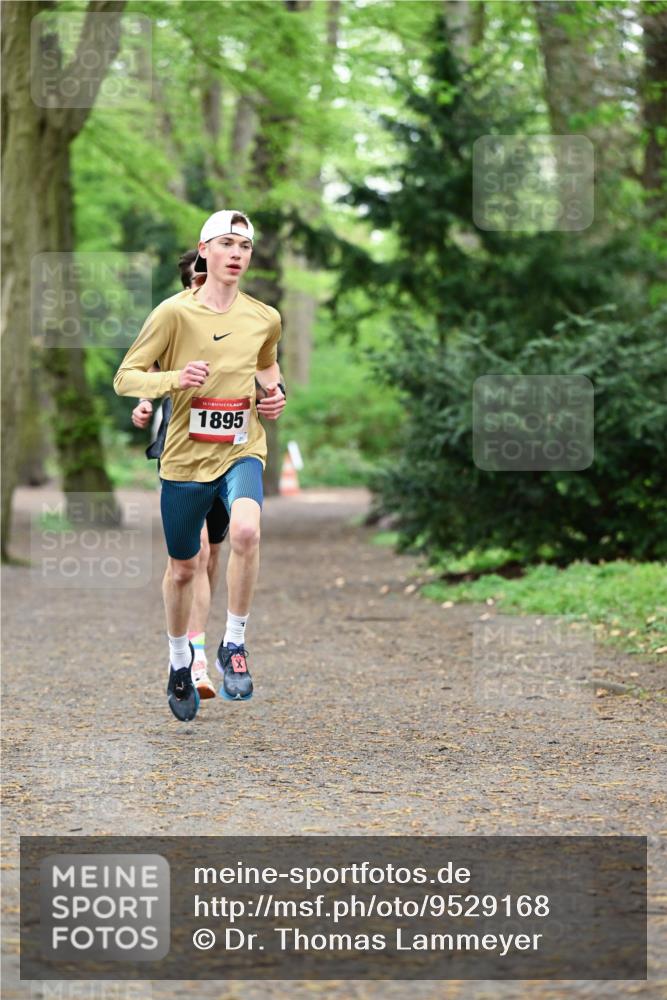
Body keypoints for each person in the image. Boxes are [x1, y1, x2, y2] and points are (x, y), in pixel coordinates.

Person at [114, 210, 286, 722]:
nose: (237, 254)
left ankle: (233, 644)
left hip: (241, 447)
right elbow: (127, 378)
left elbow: (267, 369)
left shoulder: (265, 317)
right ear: (204, 251)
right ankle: (177, 661)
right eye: (227, 244)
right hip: (185, 458)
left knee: (247, 533)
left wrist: (275, 396)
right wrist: (173, 380)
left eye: (245, 246)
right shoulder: (173, 313)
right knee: (185, 570)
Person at [130, 250, 230, 701]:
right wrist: (146, 402)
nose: (202, 286)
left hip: (229, 452)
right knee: (194, 555)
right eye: (196, 279)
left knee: (211, 558)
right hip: (180, 448)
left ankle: (196, 638)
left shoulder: (240, 319)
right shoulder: (171, 318)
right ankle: (194, 655)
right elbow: (143, 372)